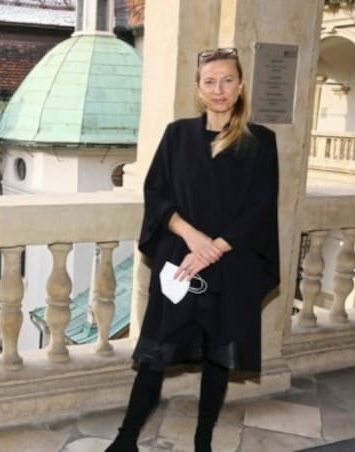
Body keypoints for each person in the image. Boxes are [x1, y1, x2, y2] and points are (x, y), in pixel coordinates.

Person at [106, 47, 280, 452]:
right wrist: (193, 238)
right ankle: (124, 441)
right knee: (154, 355)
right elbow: (156, 193)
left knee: (218, 358)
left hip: (231, 266)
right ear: (198, 90)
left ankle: (203, 441)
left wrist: (213, 249)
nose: (218, 90)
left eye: (227, 81)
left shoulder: (260, 142)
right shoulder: (177, 135)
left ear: (240, 88)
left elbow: (260, 207)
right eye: (209, 82)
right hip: (180, 264)